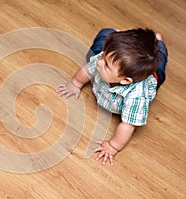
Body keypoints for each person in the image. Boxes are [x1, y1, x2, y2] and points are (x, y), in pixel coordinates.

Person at [56, 28, 168, 165]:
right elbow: (87, 70)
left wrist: (113, 146)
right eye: (104, 56)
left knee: (159, 57)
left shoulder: (137, 97)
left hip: (153, 74)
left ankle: (158, 40)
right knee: (100, 43)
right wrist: (76, 83)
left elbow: (128, 125)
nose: (100, 62)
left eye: (107, 64)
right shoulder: (103, 60)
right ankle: (116, 33)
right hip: (118, 62)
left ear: (125, 81)